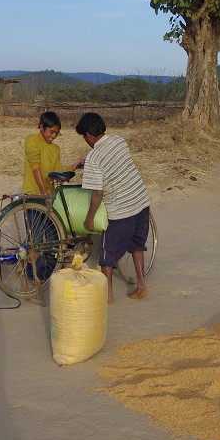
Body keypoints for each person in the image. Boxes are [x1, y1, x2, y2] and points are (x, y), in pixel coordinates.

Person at [0, 111, 82, 274]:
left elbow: (56, 171)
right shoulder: (32, 141)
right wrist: (42, 193)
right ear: (41, 127)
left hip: (50, 199)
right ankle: (33, 275)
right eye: (51, 132)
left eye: (56, 133)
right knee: (36, 241)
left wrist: (72, 167)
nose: (53, 136)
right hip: (33, 196)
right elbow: (36, 168)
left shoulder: (55, 149)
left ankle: (47, 272)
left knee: (53, 238)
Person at [77, 112, 151, 304]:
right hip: (141, 202)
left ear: (88, 134)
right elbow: (113, 161)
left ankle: (108, 296)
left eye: (84, 137)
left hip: (122, 211)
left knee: (106, 253)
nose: (85, 141)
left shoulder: (94, 157)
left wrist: (89, 218)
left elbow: (97, 194)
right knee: (137, 245)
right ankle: (141, 286)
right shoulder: (119, 141)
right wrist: (88, 163)